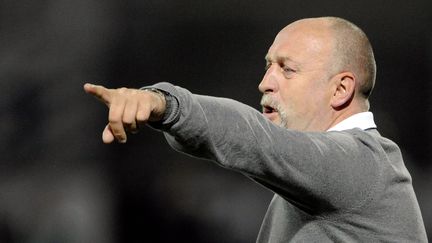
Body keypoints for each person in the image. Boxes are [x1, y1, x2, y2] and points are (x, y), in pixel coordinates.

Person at [84, 17, 427, 242]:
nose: (265, 83)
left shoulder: (361, 165)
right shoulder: (318, 176)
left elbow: (257, 140)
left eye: (287, 70)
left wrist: (169, 106)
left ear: (340, 90)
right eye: (267, 66)